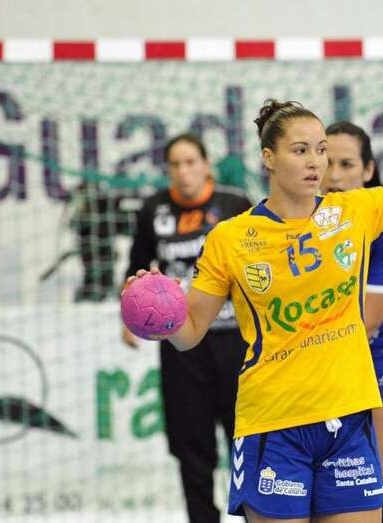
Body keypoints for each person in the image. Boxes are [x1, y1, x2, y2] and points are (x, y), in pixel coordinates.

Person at [127, 56, 383, 522]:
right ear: (269, 158)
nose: (315, 163)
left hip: (348, 422)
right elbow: (189, 332)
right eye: (300, 150)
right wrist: (156, 312)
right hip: (273, 425)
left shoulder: (353, 213)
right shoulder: (231, 238)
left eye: (321, 150)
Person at [122, 133, 252, 523]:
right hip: (182, 347)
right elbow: (136, 267)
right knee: (191, 444)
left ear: (207, 164)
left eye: (191, 162)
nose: (184, 171)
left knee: (244, 441)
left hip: (235, 342)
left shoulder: (235, 205)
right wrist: (128, 317)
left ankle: (255, 516)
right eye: (175, 164)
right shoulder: (153, 210)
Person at [321, 121, 383, 523]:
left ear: (368, 170)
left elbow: (366, 322)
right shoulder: (304, 223)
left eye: (347, 164)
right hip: (323, 366)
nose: (336, 175)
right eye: (328, 162)